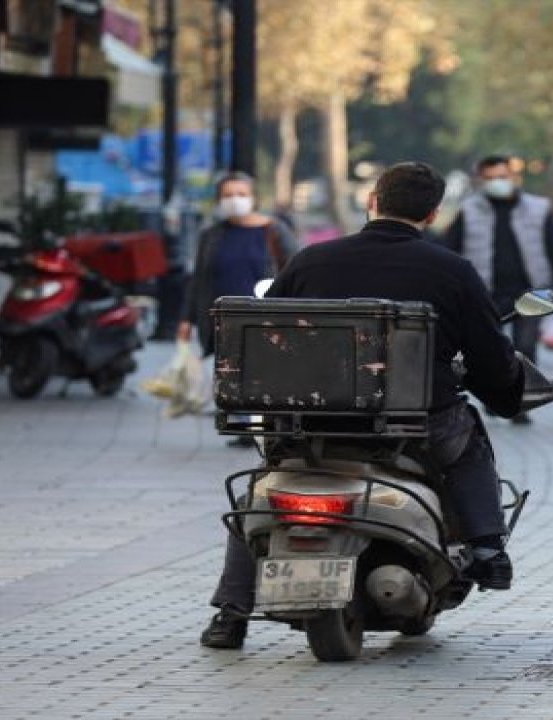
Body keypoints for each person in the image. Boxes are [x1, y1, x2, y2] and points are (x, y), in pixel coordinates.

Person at [200, 162, 528, 649]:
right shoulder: (452, 271)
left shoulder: (311, 261)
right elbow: (489, 356)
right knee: (468, 440)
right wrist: (506, 395)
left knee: (263, 488)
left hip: (311, 423)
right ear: (434, 214)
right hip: (417, 425)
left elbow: (274, 337)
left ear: (373, 200)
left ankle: (231, 613)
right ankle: (485, 548)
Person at [441, 155, 553, 424]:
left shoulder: (539, 208)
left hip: (530, 290)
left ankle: (519, 403)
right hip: (485, 292)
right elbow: (450, 248)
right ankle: (494, 398)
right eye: (489, 178)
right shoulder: (468, 210)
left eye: (501, 177)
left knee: (525, 346)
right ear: (480, 180)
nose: (496, 183)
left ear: (513, 177)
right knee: (489, 350)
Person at [178, 172, 298, 446]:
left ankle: (266, 423)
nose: (235, 200)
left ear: (253, 197)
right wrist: (186, 318)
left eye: (241, 194)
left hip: (265, 317)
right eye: (227, 195)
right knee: (232, 372)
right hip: (222, 318)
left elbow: (294, 269)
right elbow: (198, 278)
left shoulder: (274, 230)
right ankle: (245, 425)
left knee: (262, 371)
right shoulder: (212, 235)